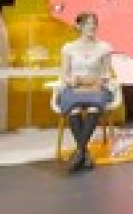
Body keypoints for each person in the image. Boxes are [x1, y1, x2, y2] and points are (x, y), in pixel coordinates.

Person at [57, 12, 113, 173]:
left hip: (95, 87)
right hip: (75, 87)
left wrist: (100, 81)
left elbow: (107, 73)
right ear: (79, 26)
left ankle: (79, 153)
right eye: (88, 23)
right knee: (73, 109)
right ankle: (84, 153)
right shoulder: (68, 47)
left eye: (94, 23)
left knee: (94, 108)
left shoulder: (104, 47)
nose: (92, 26)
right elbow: (64, 74)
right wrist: (71, 81)